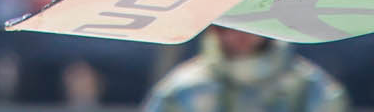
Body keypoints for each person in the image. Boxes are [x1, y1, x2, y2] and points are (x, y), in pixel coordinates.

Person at [141, 30, 346, 112]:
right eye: (226, 25)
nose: (238, 33)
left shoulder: (309, 88)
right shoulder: (182, 90)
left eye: (249, 23)